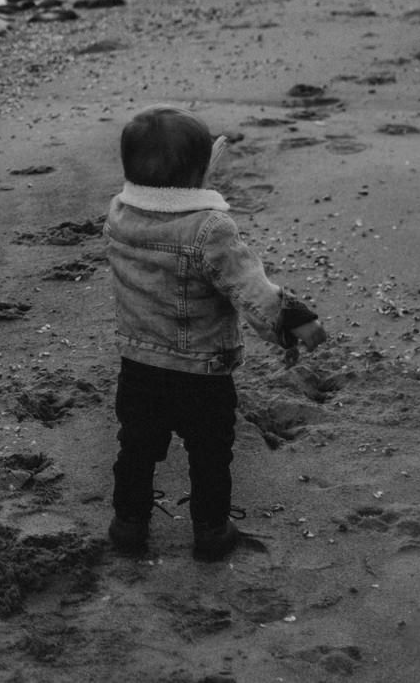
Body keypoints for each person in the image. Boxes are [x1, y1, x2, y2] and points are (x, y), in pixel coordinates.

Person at [100, 105, 325, 561]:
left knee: (137, 448)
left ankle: (128, 524)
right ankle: (210, 531)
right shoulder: (211, 228)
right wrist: (292, 321)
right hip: (201, 370)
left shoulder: (119, 213)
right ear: (200, 174)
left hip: (139, 365)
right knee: (209, 455)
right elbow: (248, 288)